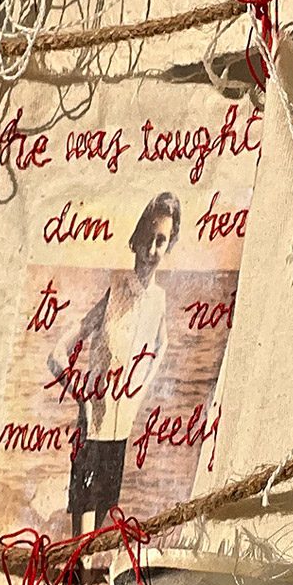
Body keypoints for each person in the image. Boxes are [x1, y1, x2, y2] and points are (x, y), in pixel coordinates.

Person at [52, 192, 178, 538]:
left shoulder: (159, 300)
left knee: (100, 534)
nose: (152, 250)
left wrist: (142, 387)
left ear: (169, 245)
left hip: (120, 431)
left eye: (161, 241)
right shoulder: (116, 287)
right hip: (92, 429)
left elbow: (162, 344)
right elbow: (62, 348)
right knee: (81, 540)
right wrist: (76, 389)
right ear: (136, 240)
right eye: (148, 239)